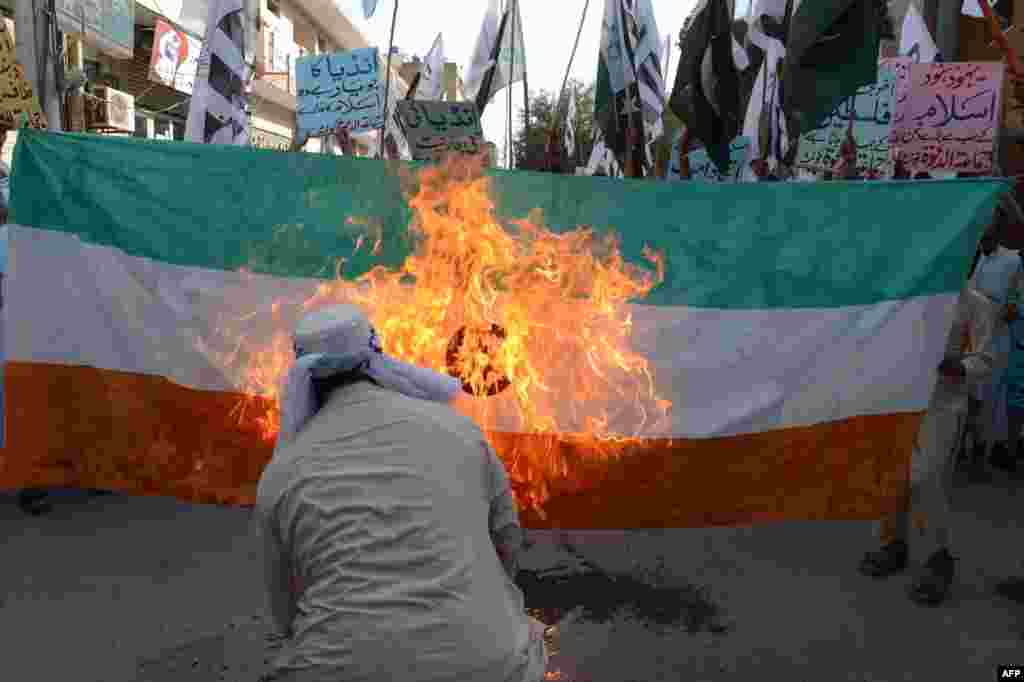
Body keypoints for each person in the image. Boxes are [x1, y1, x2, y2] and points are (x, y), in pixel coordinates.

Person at [253, 304, 548, 682]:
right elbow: (506, 543)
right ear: (375, 358)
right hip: (492, 668)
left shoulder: (281, 472)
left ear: (303, 377)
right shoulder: (458, 429)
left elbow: (285, 615)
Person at [858, 286, 996, 605]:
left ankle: (939, 557)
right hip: (898, 400)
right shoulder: (910, 294)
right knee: (892, 475)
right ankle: (893, 544)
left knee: (926, 478)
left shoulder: (975, 303)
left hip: (942, 405)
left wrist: (960, 367)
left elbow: (985, 358)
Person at [969, 226, 1020, 471]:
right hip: (979, 335)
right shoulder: (981, 259)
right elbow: (972, 292)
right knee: (977, 392)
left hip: (1002, 336)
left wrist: (1013, 310)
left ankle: (996, 449)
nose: (981, 243)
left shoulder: (1013, 259)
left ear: (996, 235)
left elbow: (1017, 300)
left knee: (996, 394)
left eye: (985, 238)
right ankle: (977, 447)